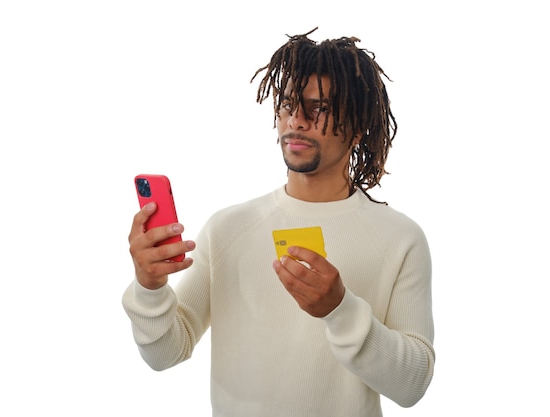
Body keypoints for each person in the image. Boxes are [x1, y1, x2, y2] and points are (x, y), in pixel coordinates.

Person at [123, 28, 435, 416]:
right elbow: (165, 353)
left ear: (356, 128)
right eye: (288, 104)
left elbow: (413, 385)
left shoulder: (400, 239)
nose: (297, 121)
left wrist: (340, 310)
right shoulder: (227, 229)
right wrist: (149, 288)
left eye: (319, 107)